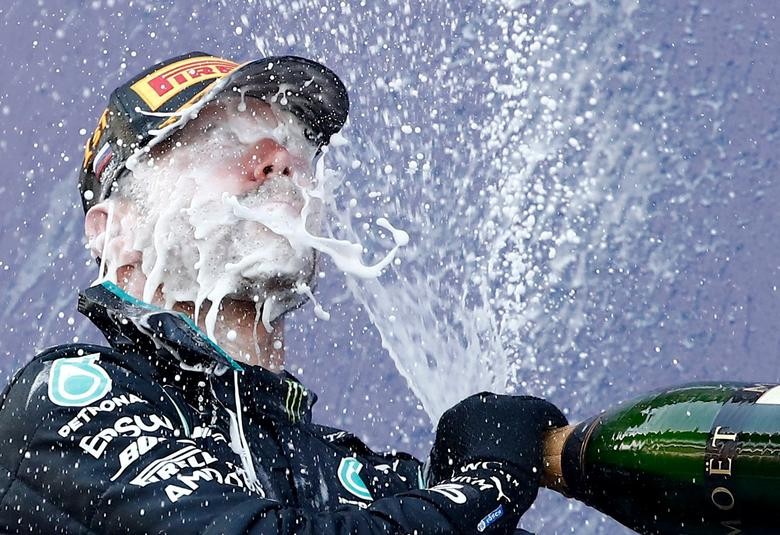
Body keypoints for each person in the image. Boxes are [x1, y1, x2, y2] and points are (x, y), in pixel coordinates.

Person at [0, 52, 566, 533]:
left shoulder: (346, 472)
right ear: (114, 230)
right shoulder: (66, 399)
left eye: (293, 143)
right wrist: (482, 487)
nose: (279, 159)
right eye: (218, 139)